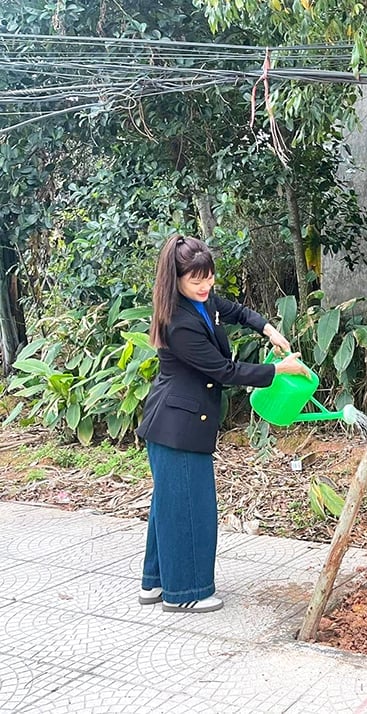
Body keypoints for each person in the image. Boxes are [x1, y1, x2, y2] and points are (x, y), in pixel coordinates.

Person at [136, 235, 309, 613]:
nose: (205, 287)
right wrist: (279, 369)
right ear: (176, 280)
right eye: (196, 281)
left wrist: (268, 330)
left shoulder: (203, 302)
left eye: (209, 278)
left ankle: (156, 583)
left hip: (176, 423)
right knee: (190, 509)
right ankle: (185, 593)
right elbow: (224, 370)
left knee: (169, 503)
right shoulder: (178, 322)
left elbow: (236, 311)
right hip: (177, 428)